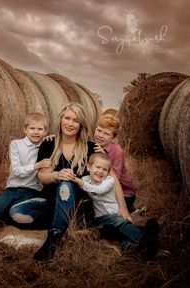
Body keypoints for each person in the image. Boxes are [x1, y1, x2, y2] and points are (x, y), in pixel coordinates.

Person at [8, 102, 131, 261]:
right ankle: (71, 222)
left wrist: (123, 208)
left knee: (67, 183)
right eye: (67, 118)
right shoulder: (48, 143)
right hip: (52, 202)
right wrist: (56, 176)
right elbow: (42, 177)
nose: (70, 123)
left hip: (80, 204)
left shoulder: (91, 148)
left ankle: (55, 236)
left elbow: (112, 178)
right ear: (61, 119)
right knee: (16, 213)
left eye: (75, 120)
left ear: (81, 125)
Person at [74, 152, 159, 261]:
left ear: (109, 172)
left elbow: (97, 190)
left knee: (120, 228)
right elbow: (80, 184)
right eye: (98, 167)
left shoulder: (109, 181)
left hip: (114, 215)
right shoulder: (85, 179)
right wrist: (72, 178)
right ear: (89, 167)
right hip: (102, 219)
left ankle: (138, 245)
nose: (100, 171)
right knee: (118, 228)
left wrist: (79, 182)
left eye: (105, 170)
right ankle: (144, 239)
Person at [0, 112, 51, 224]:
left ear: (45, 131)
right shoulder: (16, 144)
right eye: (32, 128)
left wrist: (52, 138)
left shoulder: (45, 146)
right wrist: (36, 165)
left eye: (40, 129)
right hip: (12, 189)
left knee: (16, 215)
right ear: (25, 129)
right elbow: (16, 171)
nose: (36, 132)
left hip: (32, 190)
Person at [94, 114, 136, 212]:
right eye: (99, 130)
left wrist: (103, 156)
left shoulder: (118, 151)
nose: (100, 135)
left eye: (106, 133)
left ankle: (128, 209)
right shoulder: (92, 145)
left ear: (113, 137)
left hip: (123, 194)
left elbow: (113, 179)